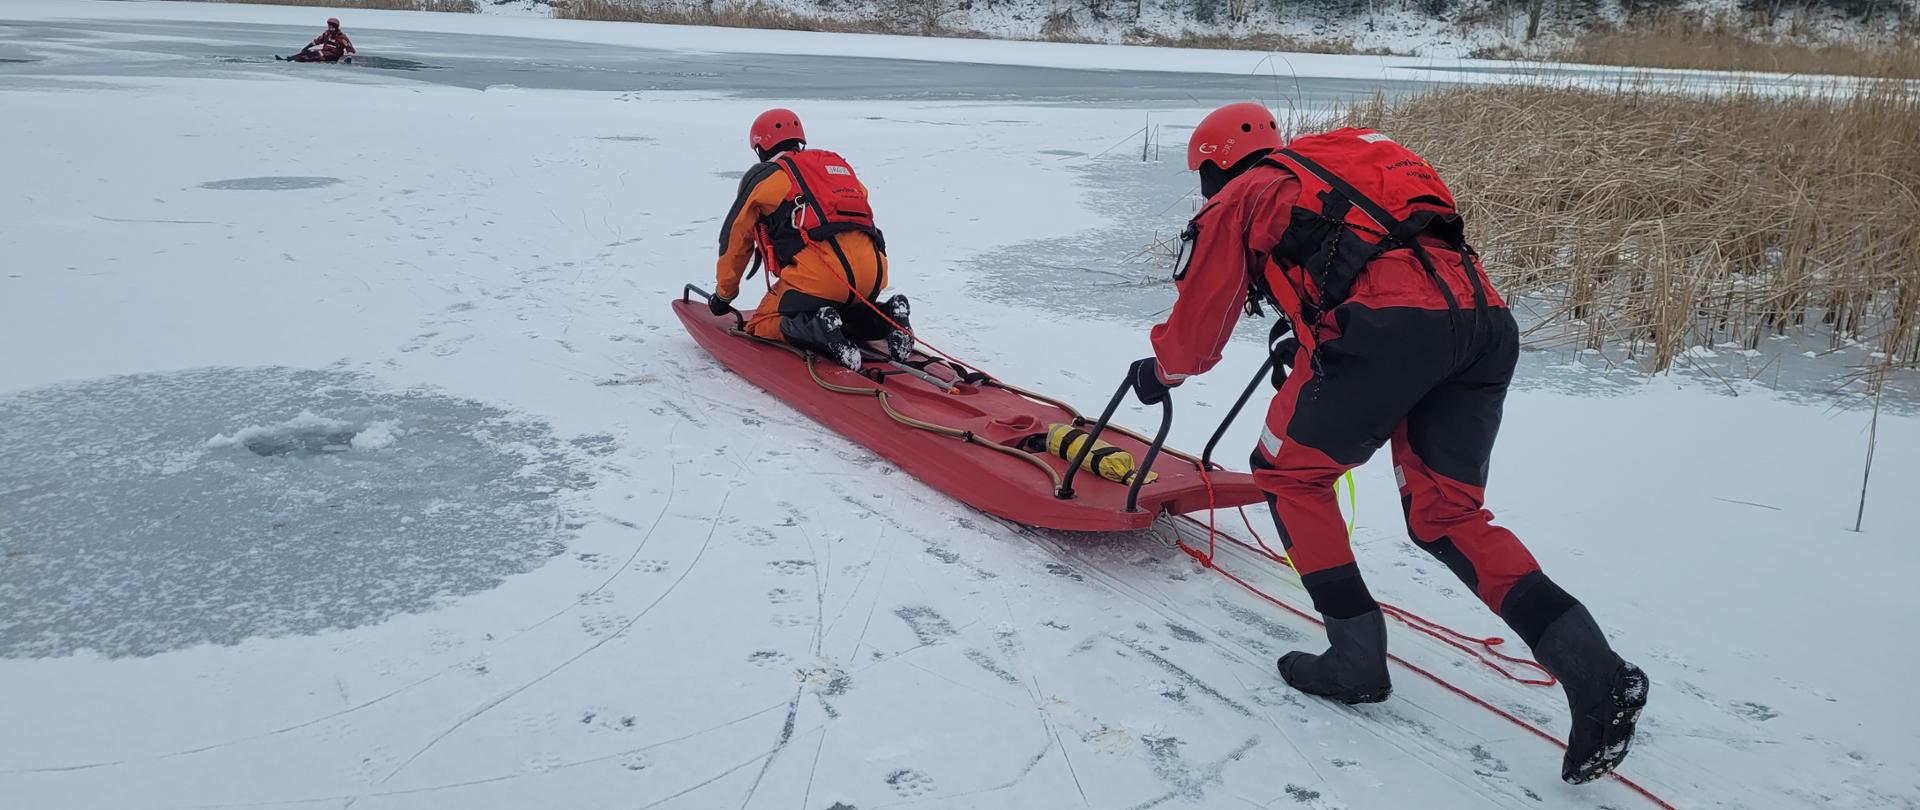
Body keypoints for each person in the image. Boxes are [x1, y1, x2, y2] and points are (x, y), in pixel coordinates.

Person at [1132, 102, 1648, 785]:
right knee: (1448, 516)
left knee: (1287, 475)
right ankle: (1597, 674)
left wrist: (1159, 371)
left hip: (1384, 333)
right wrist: (1313, 323)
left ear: (1214, 166)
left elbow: (1199, 331)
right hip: (1483, 324)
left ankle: (1355, 659)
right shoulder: (1353, 155)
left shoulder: (1242, 195)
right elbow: (1387, 250)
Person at [712, 109, 911, 372]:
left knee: (762, 323)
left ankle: (819, 327)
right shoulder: (836, 170)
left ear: (761, 147)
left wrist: (724, 295)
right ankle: (889, 319)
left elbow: (736, 239)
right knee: (845, 309)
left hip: (819, 278)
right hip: (872, 277)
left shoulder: (766, 176)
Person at [286, 18, 355, 63]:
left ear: (336, 27)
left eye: (331, 26)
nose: (329, 28)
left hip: (333, 56)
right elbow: (317, 41)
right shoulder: (327, 34)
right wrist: (307, 47)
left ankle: (300, 59)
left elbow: (350, 48)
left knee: (316, 54)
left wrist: (348, 57)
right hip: (324, 52)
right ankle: (292, 58)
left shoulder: (341, 37)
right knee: (309, 52)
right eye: (329, 26)